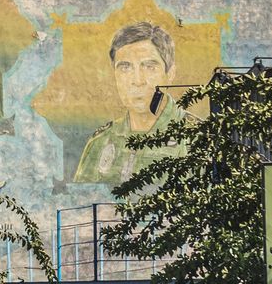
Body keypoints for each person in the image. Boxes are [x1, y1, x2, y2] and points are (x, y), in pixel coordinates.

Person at [74, 21, 187, 185]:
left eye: (149, 67)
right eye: (125, 68)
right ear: (114, 75)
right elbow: (80, 206)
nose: (137, 80)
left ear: (170, 73)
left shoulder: (196, 139)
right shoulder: (101, 142)